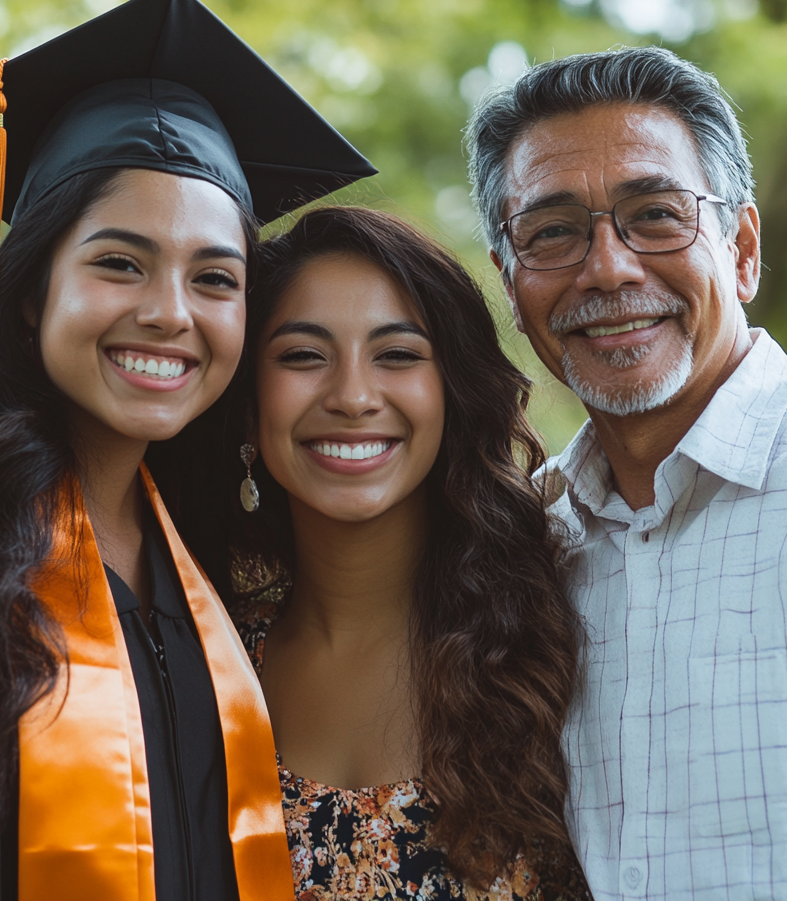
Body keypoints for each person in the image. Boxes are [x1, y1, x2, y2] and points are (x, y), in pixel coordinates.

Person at [0, 0, 374, 901]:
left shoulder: (223, 568)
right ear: (33, 287)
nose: (169, 314)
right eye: (119, 263)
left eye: (216, 278)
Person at [462, 46, 787, 899]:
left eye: (658, 214)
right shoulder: (520, 547)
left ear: (742, 249)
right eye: (553, 231)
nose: (609, 268)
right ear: (510, 282)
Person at [224, 205, 590, 899]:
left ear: (451, 393)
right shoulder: (205, 660)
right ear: (248, 404)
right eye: (303, 355)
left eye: (397, 355)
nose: (354, 396)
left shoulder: (559, 630)